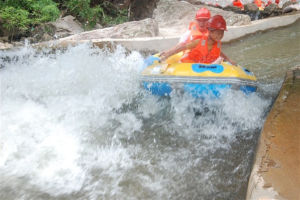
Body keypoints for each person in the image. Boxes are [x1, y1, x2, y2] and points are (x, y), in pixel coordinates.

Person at [160, 15, 236, 65]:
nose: (220, 35)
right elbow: (182, 47)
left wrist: (229, 60)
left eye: (222, 33)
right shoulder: (199, 41)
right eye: (217, 33)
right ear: (210, 31)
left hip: (202, 67)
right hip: (188, 65)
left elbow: (219, 52)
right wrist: (167, 54)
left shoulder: (217, 43)